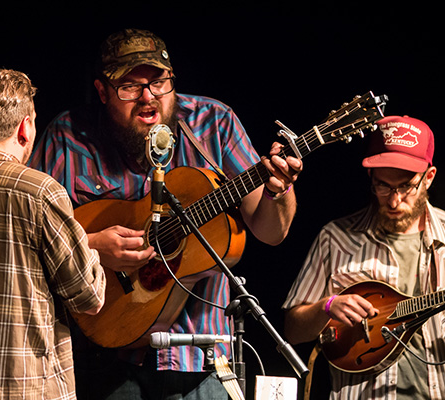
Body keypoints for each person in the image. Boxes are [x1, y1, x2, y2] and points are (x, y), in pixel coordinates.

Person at [28, 28, 302, 399]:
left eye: (159, 82)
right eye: (129, 86)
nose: (147, 97)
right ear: (102, 90)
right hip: (104, 357)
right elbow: (28, 239)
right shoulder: (68, 136)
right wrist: (89, 245)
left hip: (203, 361)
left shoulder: (213, 123)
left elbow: (271, 232)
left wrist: (279, 189)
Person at [282, 115, 445, 399]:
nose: (394, 200)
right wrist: (327, 306)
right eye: (383, 186)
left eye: (406, 186)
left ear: (428, 178)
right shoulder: (335, 237)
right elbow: (293, 331)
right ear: (371, 177)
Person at [0, 67, 107, 400]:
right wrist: (90, 247)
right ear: (25, 127)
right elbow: (88, 297)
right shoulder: (40, 191)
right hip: (25, 389)